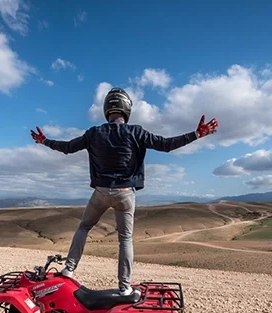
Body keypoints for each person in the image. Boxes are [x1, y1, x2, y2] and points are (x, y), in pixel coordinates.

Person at [30, 87, 218, 296]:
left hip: (101, 192)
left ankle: (69, 269)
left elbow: (67, 147)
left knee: (84, 226)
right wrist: (197, 134)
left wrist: (44, 141)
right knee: (125, 239)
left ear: (106, 110)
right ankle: (124, 287)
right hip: (126, 193)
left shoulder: (93, 133)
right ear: (126, 110)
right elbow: (166, 145)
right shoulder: (136, 132)